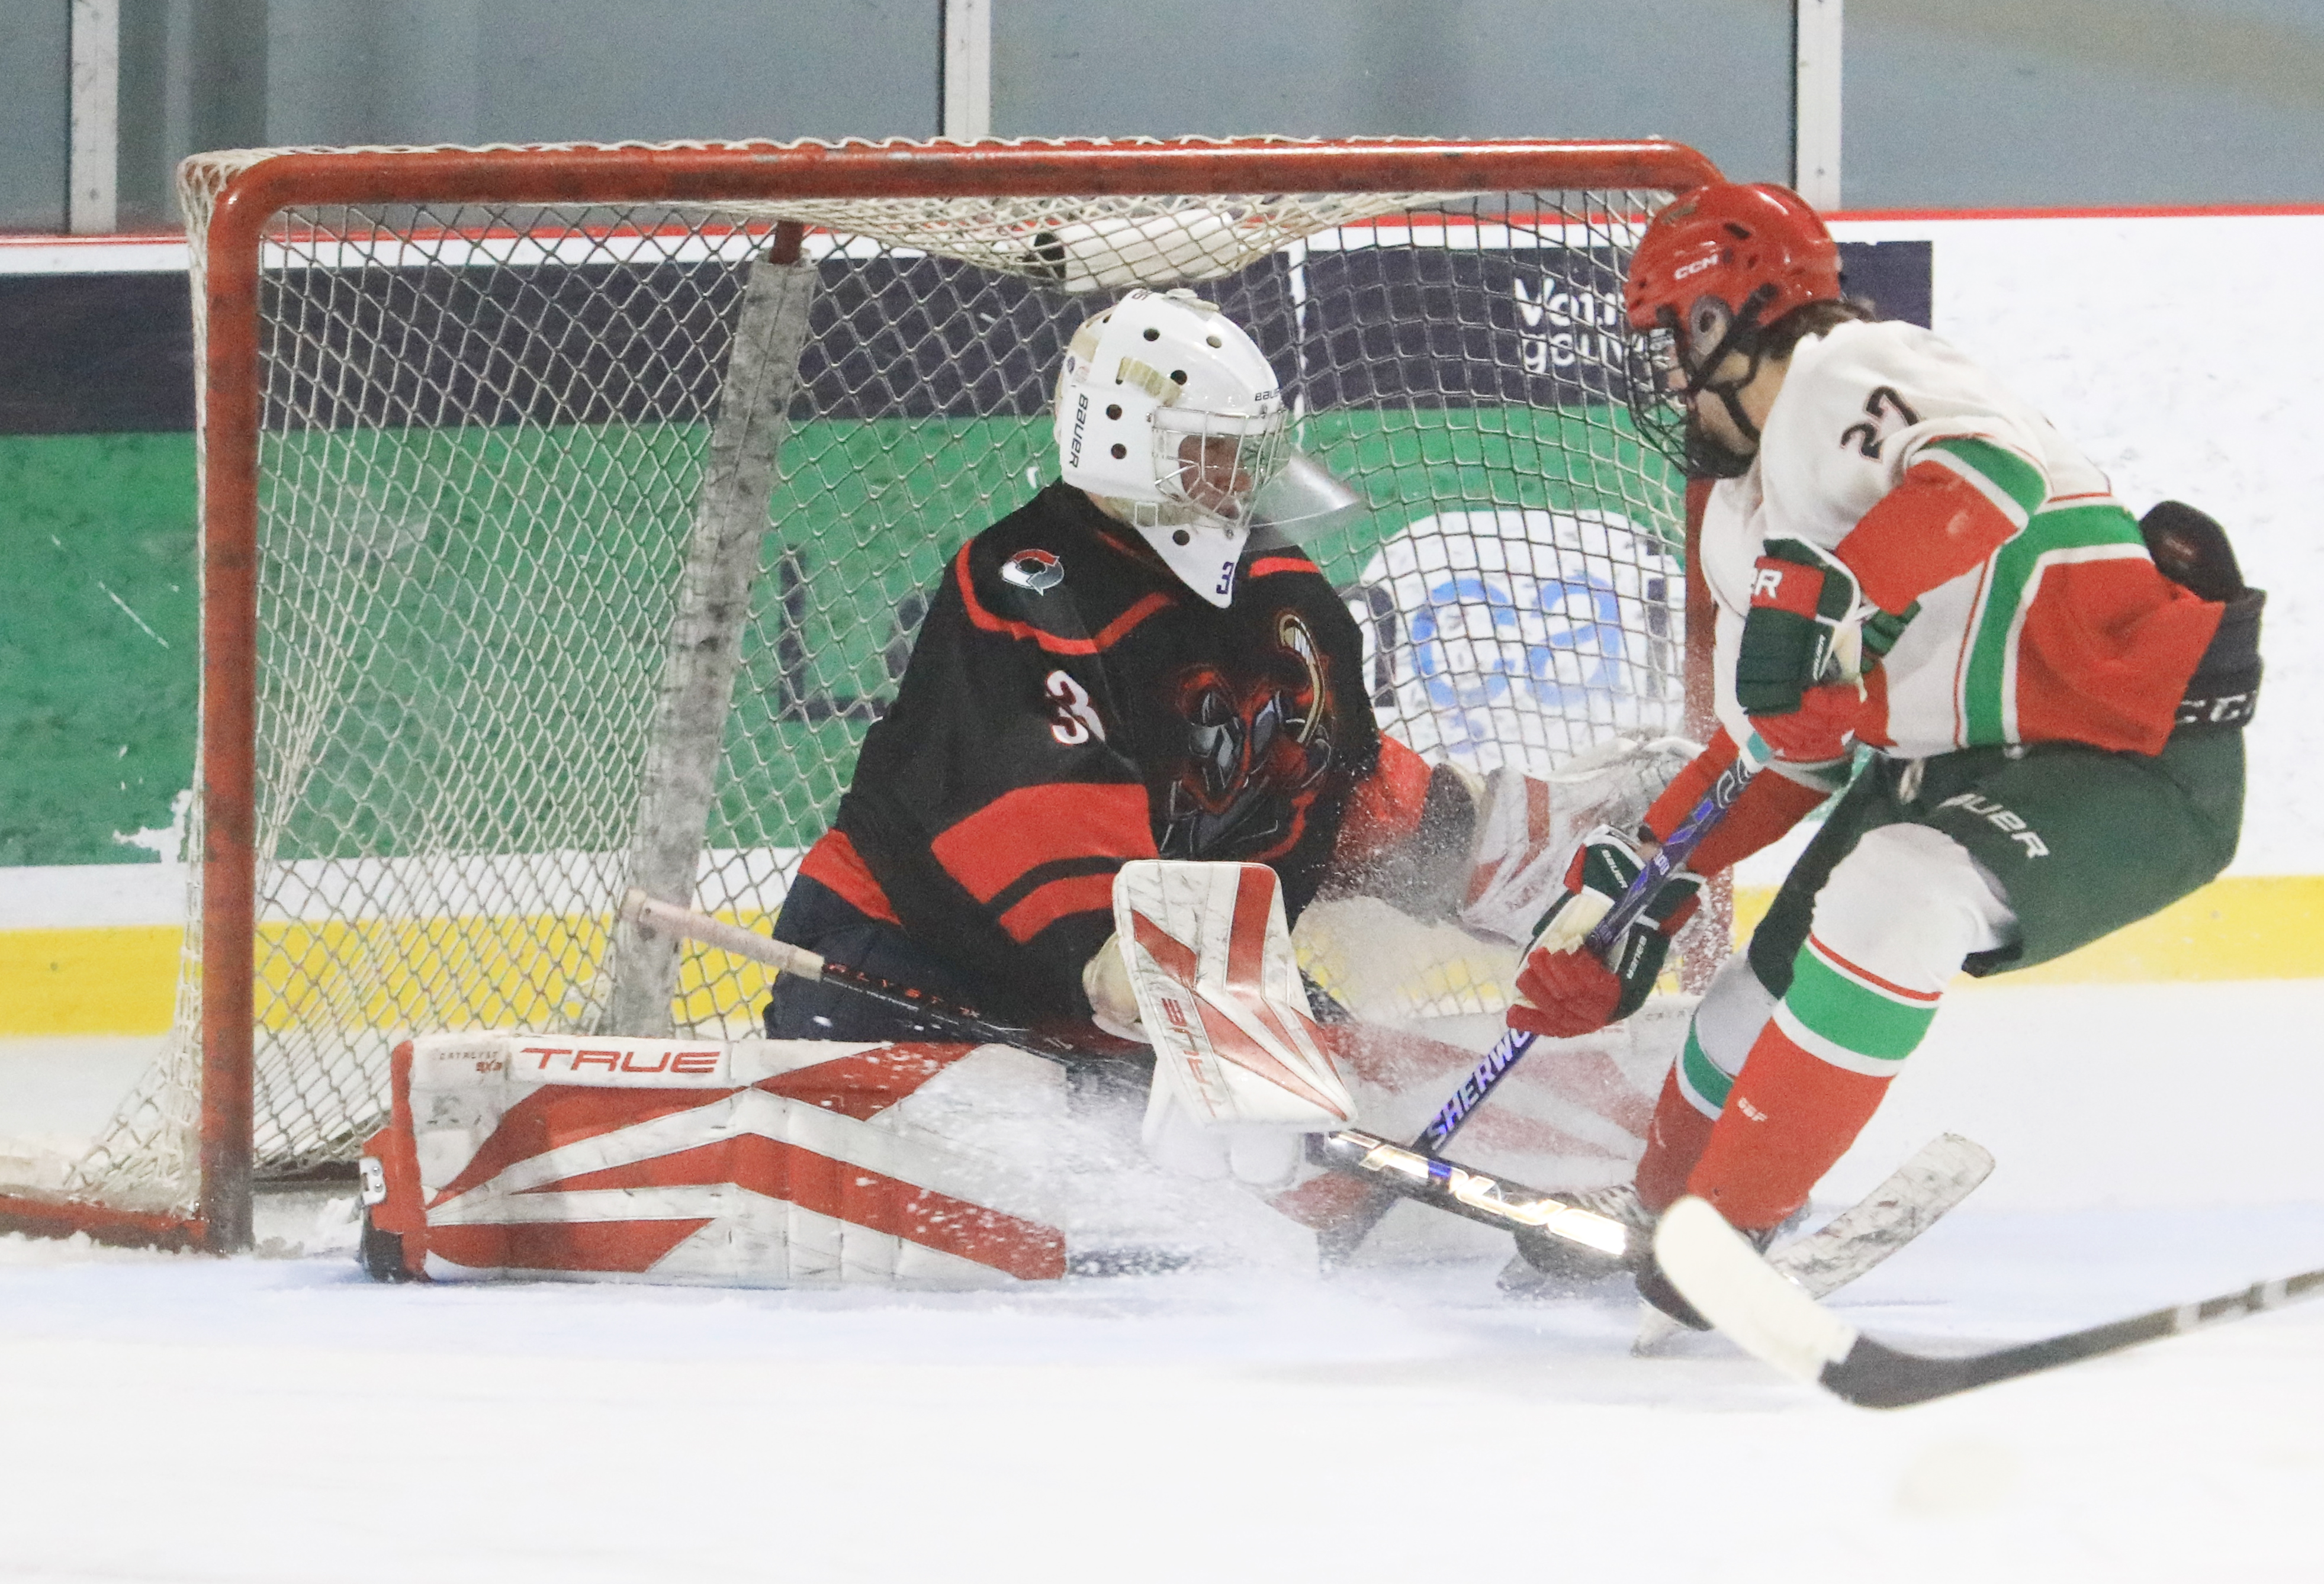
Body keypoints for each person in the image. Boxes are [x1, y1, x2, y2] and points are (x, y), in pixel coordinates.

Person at [1503, 183, 2262, 1321]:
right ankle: (1662, 1216)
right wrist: (1638, 889)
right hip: (1939, 771)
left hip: (2123, 754)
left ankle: (1729, 1233)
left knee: (1897, 892)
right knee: (1745, 1005)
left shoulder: (1847, 367)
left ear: (1721, 321)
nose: (1662, 379)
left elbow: (1989, 473)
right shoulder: (1737, 519)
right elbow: (1776, 756)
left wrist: (1833, 593)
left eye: (1669, 341)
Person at [763, 288, 1666, 1048]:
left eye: (1250, 448)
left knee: (1360, 1111)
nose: (1240, 476)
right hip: (911, 960)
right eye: (1212, 447)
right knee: (1037, 1159)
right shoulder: (1026, 589)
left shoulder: (1282, 592)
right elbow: (1024, 817)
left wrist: (1510, 857)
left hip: (1174, 970)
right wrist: (1129, 958)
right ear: (1117, 437)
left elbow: (1334, 782)